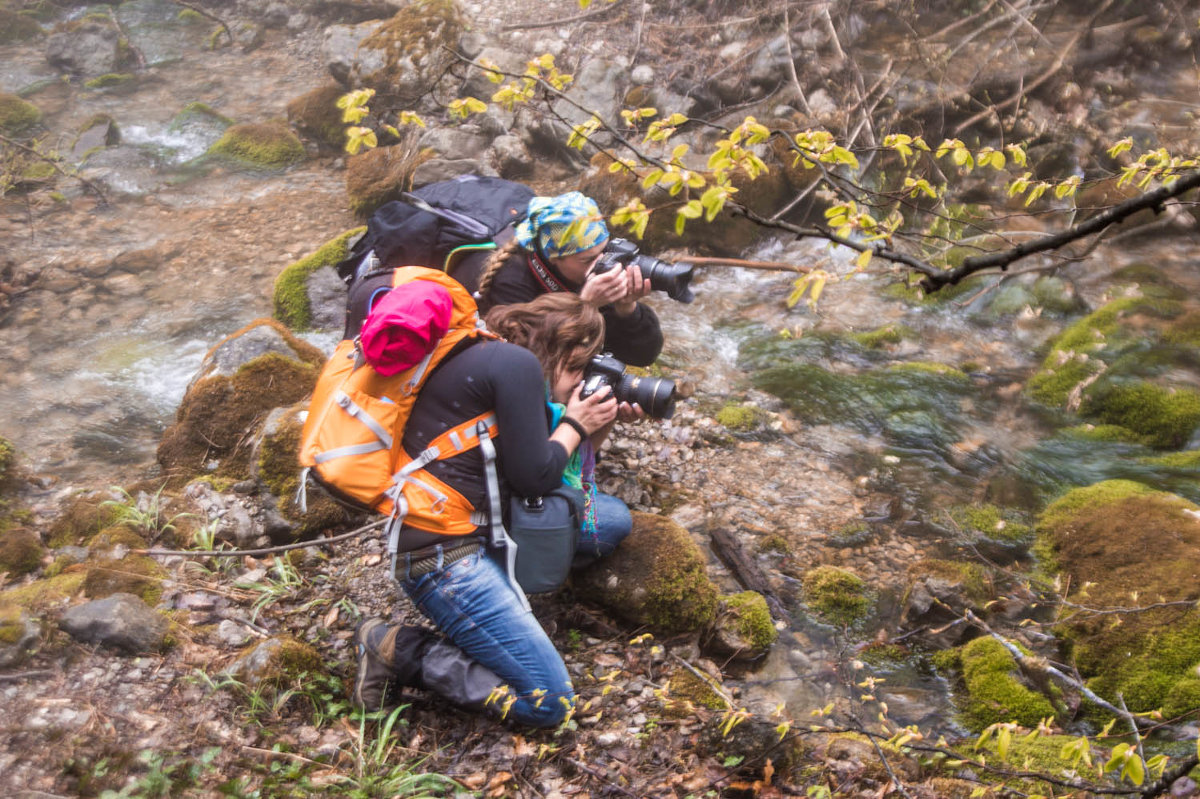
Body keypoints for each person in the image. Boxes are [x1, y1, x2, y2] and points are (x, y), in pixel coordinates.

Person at [352, 293, 632, 728]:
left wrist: (598, 420)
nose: (580, 381)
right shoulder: (517, 369)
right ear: (549, 351)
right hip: (442, 560)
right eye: (576, 368)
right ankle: (393, 646)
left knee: (607, 521)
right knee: (548, 703)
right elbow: (536, 478)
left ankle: (515, 591)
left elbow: (552, 476)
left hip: (485, 528)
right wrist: (576, 424)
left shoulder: (494, 360)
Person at [450, 191, 664, 368]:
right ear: (554, 259)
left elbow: (643, 357)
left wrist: (627, 310)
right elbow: (526, 365)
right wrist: (585, 306)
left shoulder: (585, 272)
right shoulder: (509, 280)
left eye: (605, 252)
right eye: (588, 259)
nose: (602, 264)